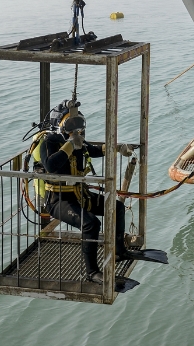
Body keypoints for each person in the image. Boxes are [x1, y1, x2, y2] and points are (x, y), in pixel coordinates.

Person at [39, 100, 167, 284]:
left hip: (80, 195)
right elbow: (50, 165)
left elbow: (95, 150)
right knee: (91, 224)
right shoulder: (48, 143)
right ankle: (92, 273)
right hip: (58, 200)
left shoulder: (78, 142)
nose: (76, 131)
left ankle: (119, 251)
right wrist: (69, 145)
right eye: (70, 126)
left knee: (116, 209)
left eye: (79, 125)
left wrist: (118, 148)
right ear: (59, 127)